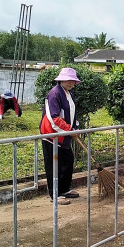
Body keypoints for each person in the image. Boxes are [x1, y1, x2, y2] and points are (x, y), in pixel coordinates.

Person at [39, 67, 81, 205]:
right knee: (54, 166)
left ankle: (64, 189)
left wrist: (75, 127)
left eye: (73, 81)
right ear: (61, 80)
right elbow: (54, 118)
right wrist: (70, 130)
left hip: (65, 135)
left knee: (68, 161)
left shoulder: (69, 94)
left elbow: (72, 114)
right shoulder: (54, 94)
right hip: (51, 135)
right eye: (68, 80)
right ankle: (55, 194)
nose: (71, 83)